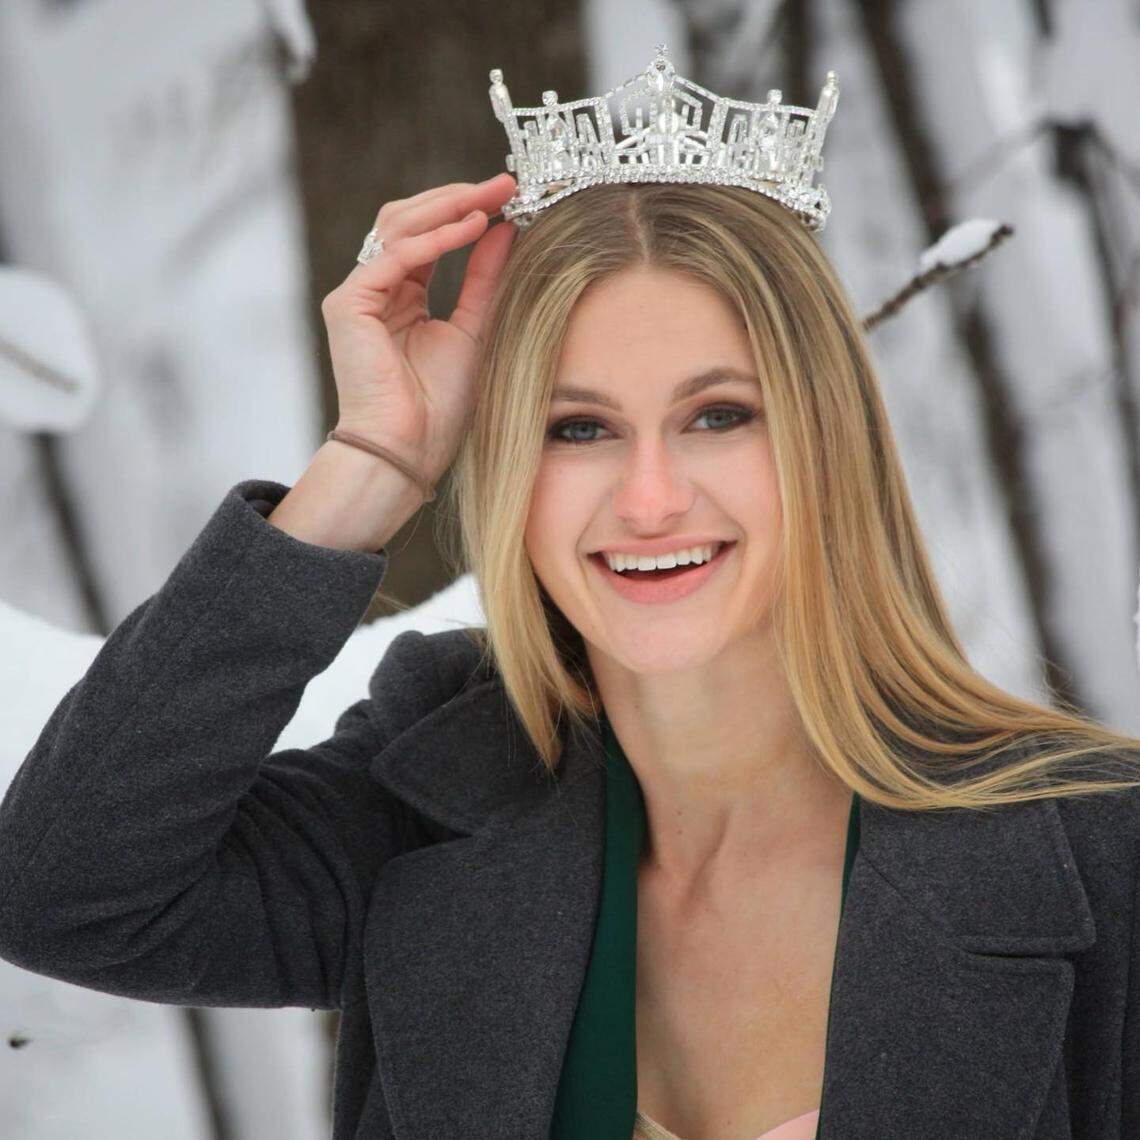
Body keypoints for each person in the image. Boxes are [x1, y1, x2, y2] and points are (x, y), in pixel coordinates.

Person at [2, 160, 1140, 1140]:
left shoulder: (1101, 851)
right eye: (576, 428)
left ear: (826, 440)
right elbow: (61, 888)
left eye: (717, 415)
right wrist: (370, 467)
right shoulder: (430, 802)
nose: (648, 498)